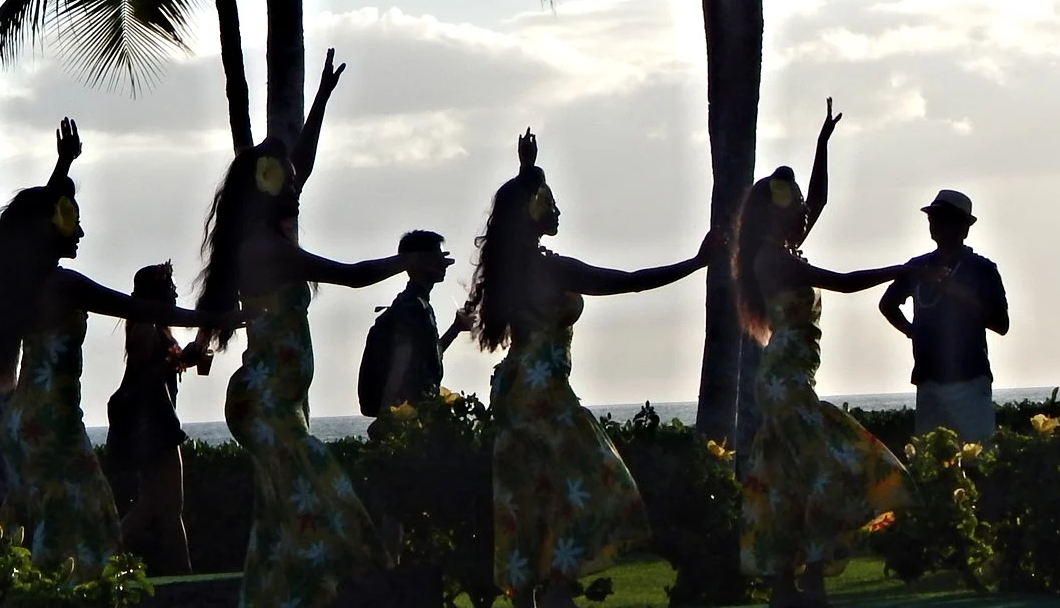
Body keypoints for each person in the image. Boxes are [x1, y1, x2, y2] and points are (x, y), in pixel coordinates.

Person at [199, 52, 444, 608]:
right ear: (269, 190)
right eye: (286, 181)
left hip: (277, 401)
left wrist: (321, 100)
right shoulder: (268, 250)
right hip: (267, 403)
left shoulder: (268, 234)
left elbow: (299, 164)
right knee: (326, 504)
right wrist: (405, 262)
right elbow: (352, 276)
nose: (296, 184)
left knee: (283, 517)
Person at [471, 130, 715, 608]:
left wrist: (527, 170)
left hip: (518, 387)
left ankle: (535, 592)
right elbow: (629, 282)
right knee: (592, 483)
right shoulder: (550, 268)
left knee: (530, 495)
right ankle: (558, 588)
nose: (558, 209)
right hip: (544, 392)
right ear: (534, 210)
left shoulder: (511, 266)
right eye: (549, 201)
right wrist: (695, 263)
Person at [0, 120, 212, 580]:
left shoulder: (24, 287)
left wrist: (63, 164)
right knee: (77, 522)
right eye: (74, 223)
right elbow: (139, 307)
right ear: (54, 229)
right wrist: (215, 318)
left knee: (41, 520)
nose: (81, 232)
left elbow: (35, 216)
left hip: (23, 422)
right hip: (53, 424)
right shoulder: (64, 286)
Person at [733, 100, 908, 608]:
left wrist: (822, 144)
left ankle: (791, 585)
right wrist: (905, 269)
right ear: (778, 212)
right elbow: (844, 282)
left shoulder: (781, 249)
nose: (804, 210)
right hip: (785, 379)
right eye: (796, 205)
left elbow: (822, 200)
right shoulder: (775, 260)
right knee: (826, 472)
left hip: (790, 377)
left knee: (789, 479)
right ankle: (807, 578)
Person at [105, 260, 211, 573]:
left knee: (153, 506)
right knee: (169, 507)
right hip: (154, 426)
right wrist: (177, 361)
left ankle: (104, 559)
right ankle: (183, 574)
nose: (176, 294)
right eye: (171, 288)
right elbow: (144, 377)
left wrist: (189, 355)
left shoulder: (154, 327)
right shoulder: (146, 328)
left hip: (154, 425)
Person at [879, 189, 1008, 446]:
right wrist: (912, 331)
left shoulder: (982, 269)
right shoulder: (918, 267)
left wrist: (960, 295)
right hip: (928, 378)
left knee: (977, 458)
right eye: (933, 218)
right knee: (931, 458)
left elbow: (1001, 324)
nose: (935, 224)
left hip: (970, 378)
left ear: (963, 228)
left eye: (943, 218)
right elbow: (887, 304)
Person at [359, 228, 473, 424]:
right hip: (408, 416)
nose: (444, 263)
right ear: (418, 262)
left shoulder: (417, 304)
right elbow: (400, 362)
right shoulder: (412, 307)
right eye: (437, 257)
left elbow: (426, 357)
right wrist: (388, 416)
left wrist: (455, 328)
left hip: (413, 414)